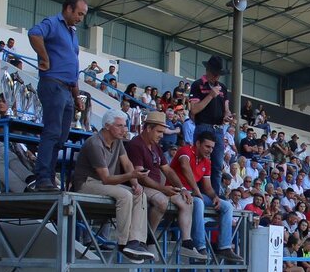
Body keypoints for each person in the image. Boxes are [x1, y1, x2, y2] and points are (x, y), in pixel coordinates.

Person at [73, 109, 154, 262]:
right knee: (125, 195)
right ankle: (123, 243)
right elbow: (106, 179)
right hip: (86, 183)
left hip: (104, 182)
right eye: (119, 126)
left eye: (124, 126)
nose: (124, 130)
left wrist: (135, 183)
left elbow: (127, 163)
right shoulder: (94, 143)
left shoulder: (118, 141)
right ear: (107, 126)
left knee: (139, 194)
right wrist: (131, 176)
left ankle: (135, 241)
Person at [126, 111, 205, 261]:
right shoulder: (136, 144)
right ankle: (148, 239)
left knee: (187, 200)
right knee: (162, 201)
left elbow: (168, 170)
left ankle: (186, 243)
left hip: (156, 187)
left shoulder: (155, 146)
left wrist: (182, 189)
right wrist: (163, 188)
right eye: (159, 131)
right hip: (141, 186)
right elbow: (140, 176)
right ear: (148, 128)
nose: (162, 135)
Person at [28, 0, 87, 192]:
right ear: (68, 9)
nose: (80, 18)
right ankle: (43, 177)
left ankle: (49, 177)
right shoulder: (53, 23)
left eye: (83, 15)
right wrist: (44, 58)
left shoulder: (72, 33)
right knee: (52, 132)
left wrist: (77, 95)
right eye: (79, 13)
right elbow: (34, 33)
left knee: (61, 136)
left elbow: (73, 66)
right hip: (53, 84)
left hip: (68, 89)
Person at [170, 130, 242, 262]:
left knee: (226, 206)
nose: (210, 150)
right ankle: (200, 246)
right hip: (176, 191)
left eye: (212, 148)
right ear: (197, 143)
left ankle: (224, 248)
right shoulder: (185, 150)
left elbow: (208, 187)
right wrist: (196, 189)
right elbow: (185, 167)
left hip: (193, 193)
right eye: (207, 146)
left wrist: (215, 196)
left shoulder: (207, 161)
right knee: (198, 202)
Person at [189, 55, 231, 197]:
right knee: (199, 161)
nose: (216, 77)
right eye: (214, 73)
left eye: (218, 74)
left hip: (218, 129)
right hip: (203, 127)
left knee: (217, 165)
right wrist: (210, 96)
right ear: (207, 70)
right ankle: (197, 192)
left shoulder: (223, 88)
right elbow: (194, 110)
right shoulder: (197, 85)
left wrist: (227, 116)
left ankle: (214, 195)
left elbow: (226, 108)